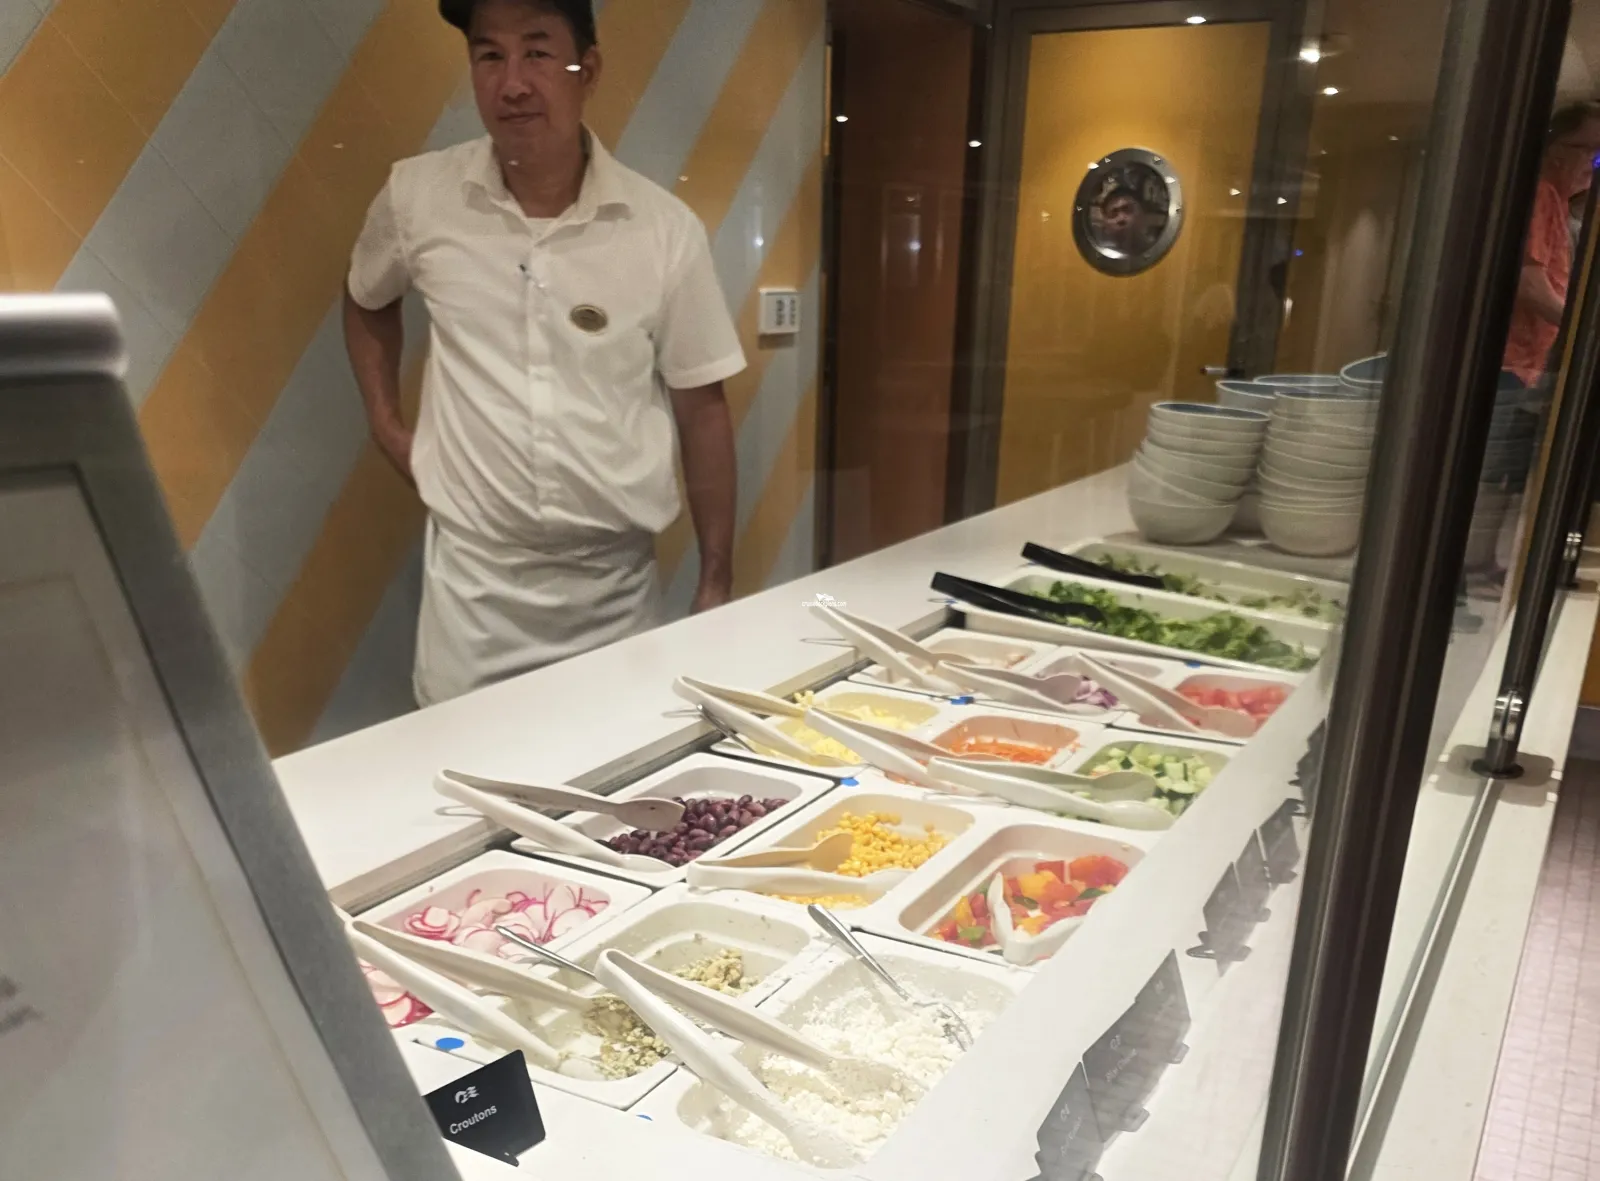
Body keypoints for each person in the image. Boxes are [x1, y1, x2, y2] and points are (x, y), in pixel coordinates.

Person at [344, 0, 745, 706]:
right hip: (474, 595)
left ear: (586, 69)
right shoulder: (417, 198)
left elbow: (701, 407)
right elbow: (366, 298)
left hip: (614, 595)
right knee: (467, 769)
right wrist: (386, 424)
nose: (513, 83)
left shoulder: (662, 229)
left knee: (618, 764)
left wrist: (716, 578)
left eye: (536, 52)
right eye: (489, 55)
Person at [1503, 101, 1600, 389]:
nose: (1595, 163)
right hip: (1510, 364)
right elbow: (1529, 285)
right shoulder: (1540, 193)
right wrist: (1585, 328)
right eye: (1589, 150)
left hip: (1524, 364)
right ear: (1554, 148)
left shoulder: (1556, 201)